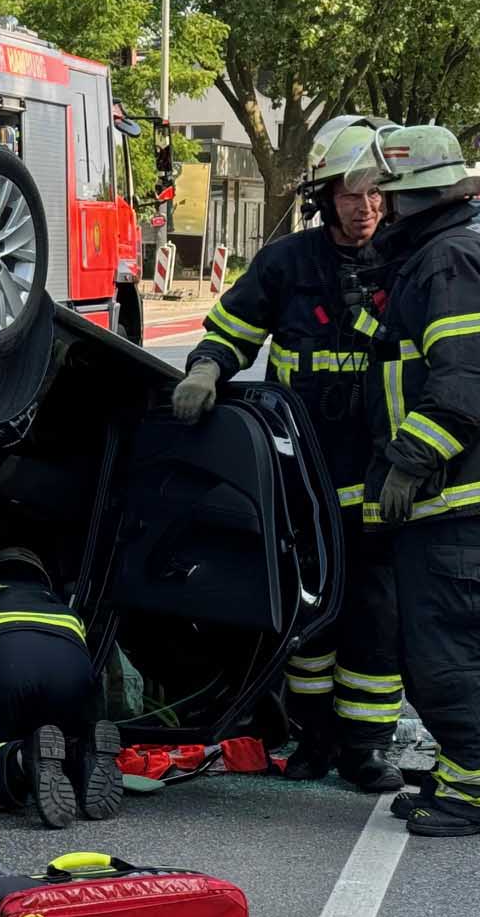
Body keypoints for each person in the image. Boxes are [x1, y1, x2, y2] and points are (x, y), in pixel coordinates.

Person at [173, 115, 406, 793]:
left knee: (373, 618)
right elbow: (233, 329)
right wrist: (207, 370)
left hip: (377, 476)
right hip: (301, 476)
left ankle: (366, 748)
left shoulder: (406, 262)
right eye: (350, 195)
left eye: (375, 196)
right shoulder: (286, 264)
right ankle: (313, 737)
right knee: (308, 618)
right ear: (325, 197)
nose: (364, 209)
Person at [363, 123, 480, 838]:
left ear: (411, 199)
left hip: (462, 500)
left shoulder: (451, 262)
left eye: (388, 195)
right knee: (435, 649)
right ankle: (464, 775)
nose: (379, 208)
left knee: (450, 654)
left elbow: (463, 381)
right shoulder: (440, 258)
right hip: (456, 501)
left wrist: (411, 460)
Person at [0, 548, 122, 830]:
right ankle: (83, 752)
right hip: (70, 673)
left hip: (1, 665)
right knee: (60, 741)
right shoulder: (57, 602)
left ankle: (21, 759)